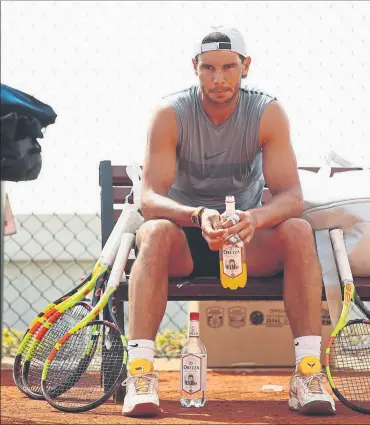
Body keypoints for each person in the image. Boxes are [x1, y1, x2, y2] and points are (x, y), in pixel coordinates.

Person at [121, 26, 336, 417]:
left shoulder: (266, 112)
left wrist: (254, 218)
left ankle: (307, 372)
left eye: (228, 67)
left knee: (299, 230)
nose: (218, 78)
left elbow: (291, 196)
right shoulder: (170, 113)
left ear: (245, 67)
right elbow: (149, 198)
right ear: (195, 68)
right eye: (208, 68)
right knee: (152, 232)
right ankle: (140, 374)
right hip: (184, 240)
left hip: (244, 241)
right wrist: (198, 214)